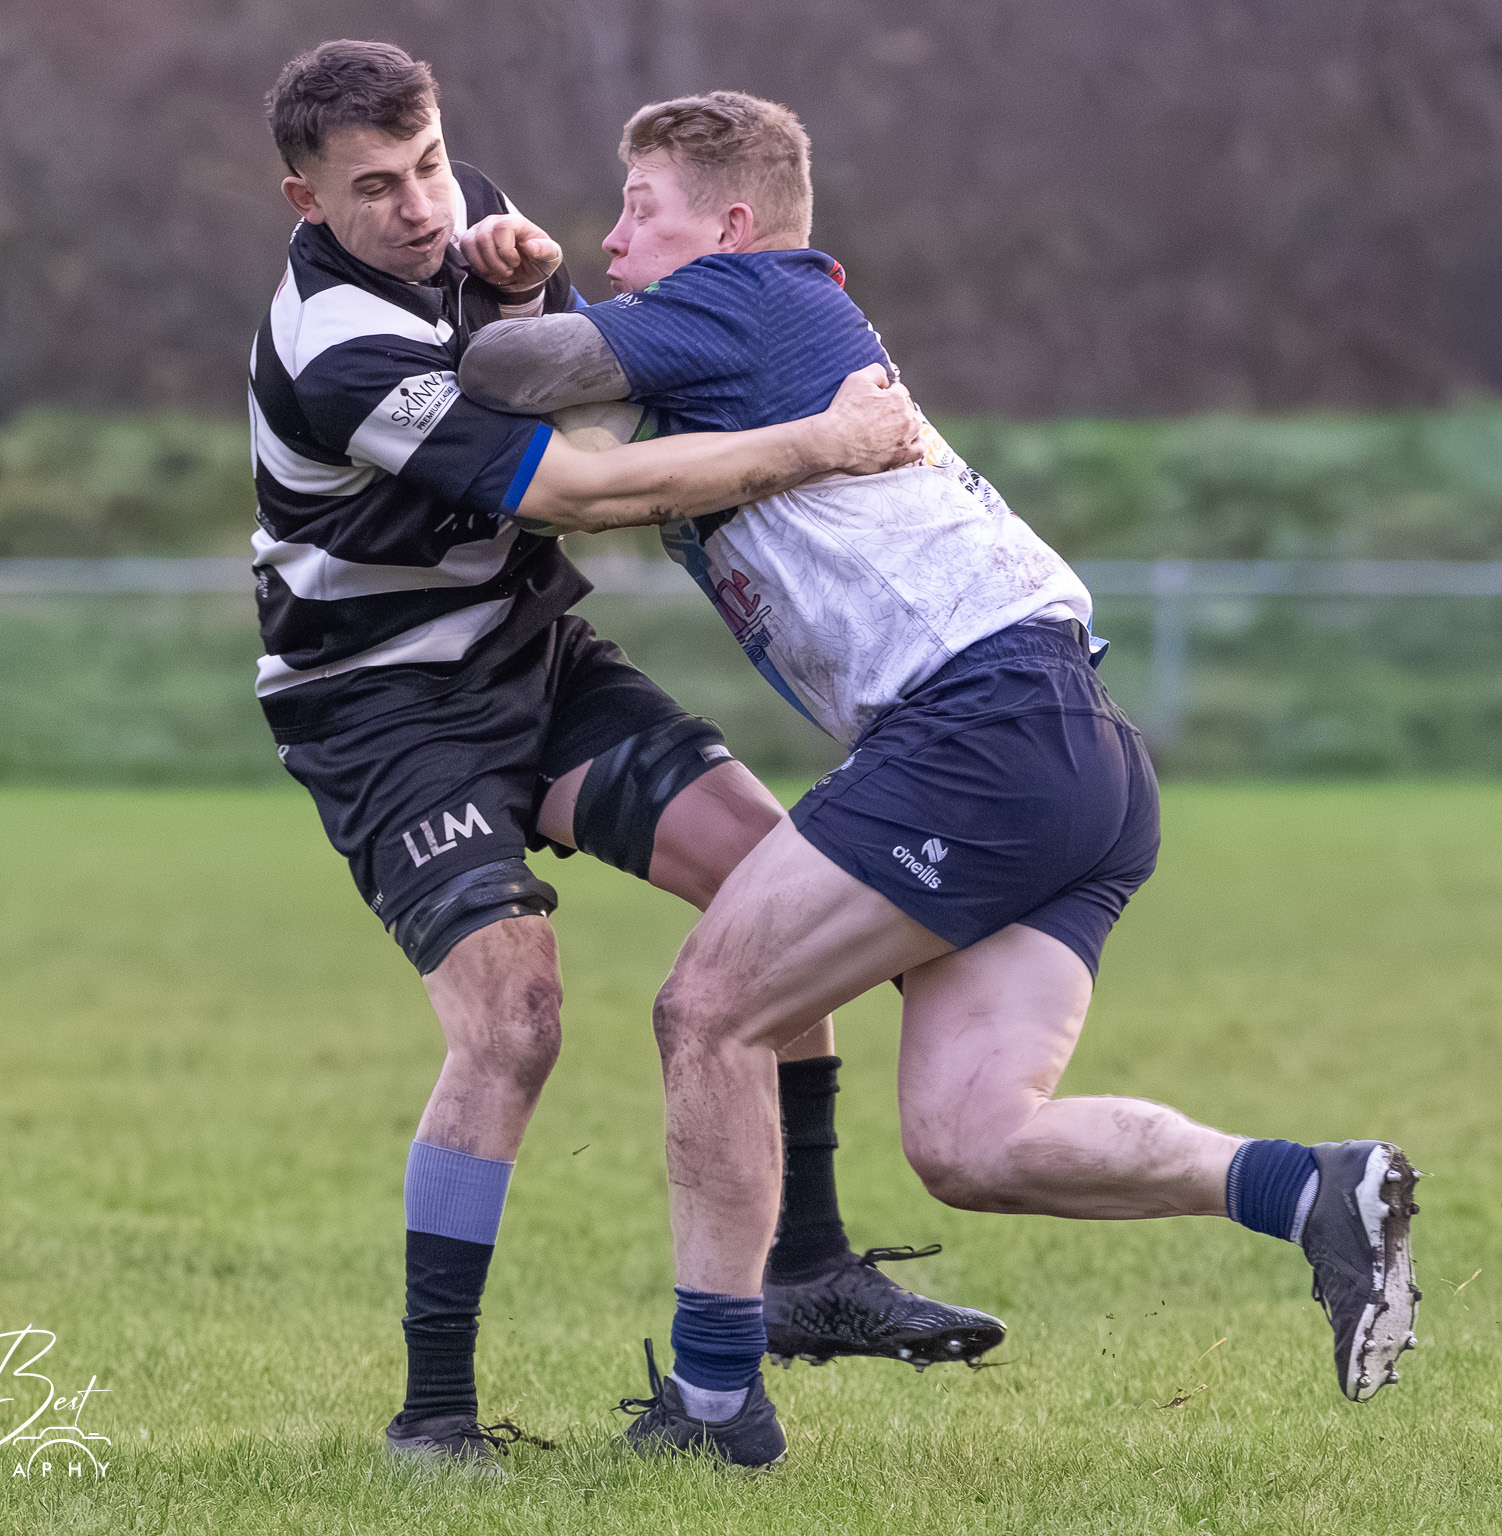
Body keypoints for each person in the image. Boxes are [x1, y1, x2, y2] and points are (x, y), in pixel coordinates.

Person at [458, 90, 1422, 1468]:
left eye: (638, 211)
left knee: (708, 1013)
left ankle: (715, 1404)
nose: (612, 242)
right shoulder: (751, 331)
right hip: (1076, 750)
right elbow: (595, 448)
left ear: (729, 226)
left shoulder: (741, 298)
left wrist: (511, 281)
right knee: (974, 1140)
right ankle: (1313, 1188)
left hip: (980, 726)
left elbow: (510, 377)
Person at [248, 43, 1004, 1468]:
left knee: (782, 894)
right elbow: (584, 490)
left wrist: (530, 290)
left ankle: (809, 1274)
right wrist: (822, 441)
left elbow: (573, 380)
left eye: (429, 164)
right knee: (514, 1026)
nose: (421, 206)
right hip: (383, 707)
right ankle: (434, 1416)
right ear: (306, 199)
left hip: (529, 657)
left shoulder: (467, 214)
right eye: (376, 187)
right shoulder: (332, 347)